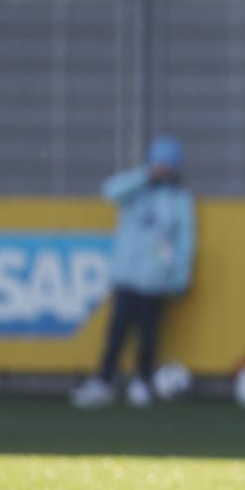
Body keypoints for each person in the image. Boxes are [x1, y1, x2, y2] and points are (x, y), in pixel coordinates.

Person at [69, 136, 195, 409]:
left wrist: (180, 277)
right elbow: (109, 190)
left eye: (167, 165)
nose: (163, 170)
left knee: (149, 335)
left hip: (155, 280)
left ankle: (142, 382)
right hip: (126, 276)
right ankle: (103, 382)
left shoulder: (179, 199)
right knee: (116, 333)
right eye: (158, 164)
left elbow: (185, 240)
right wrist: (144, 177)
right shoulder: (136, 189)